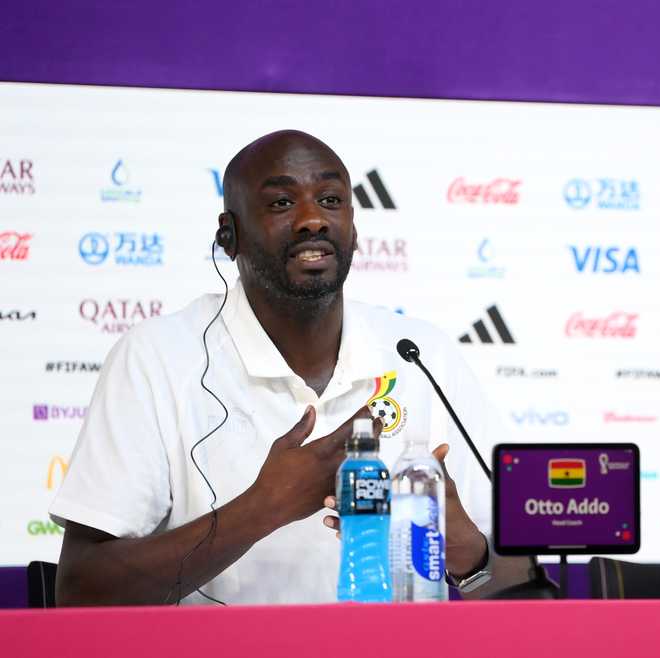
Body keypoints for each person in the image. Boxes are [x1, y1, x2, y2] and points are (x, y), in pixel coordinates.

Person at [51, 130, 530, 605]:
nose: (312, 220)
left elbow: (528, 592)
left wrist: (469, 550)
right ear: (229, 235)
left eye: (330, 199)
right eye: (282, 203)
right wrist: (264, 507)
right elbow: (82, 590)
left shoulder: (422, 355)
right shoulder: (156, 358)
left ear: (355, 228)